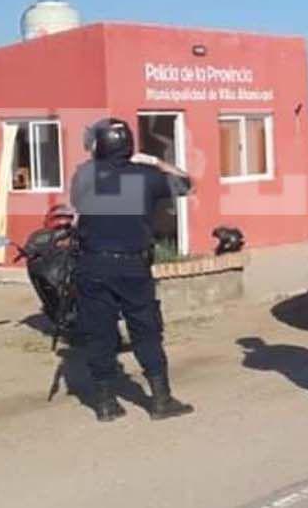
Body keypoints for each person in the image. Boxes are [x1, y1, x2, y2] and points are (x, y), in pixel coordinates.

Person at [71, 118, 195, 423]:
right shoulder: (147, 177)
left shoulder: (84, 176)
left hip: (93, 264)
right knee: (146, 330)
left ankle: (105, 403)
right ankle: (161, 400)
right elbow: (187, 182)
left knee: (99, 334)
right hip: (132, 266)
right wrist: (153, 161)